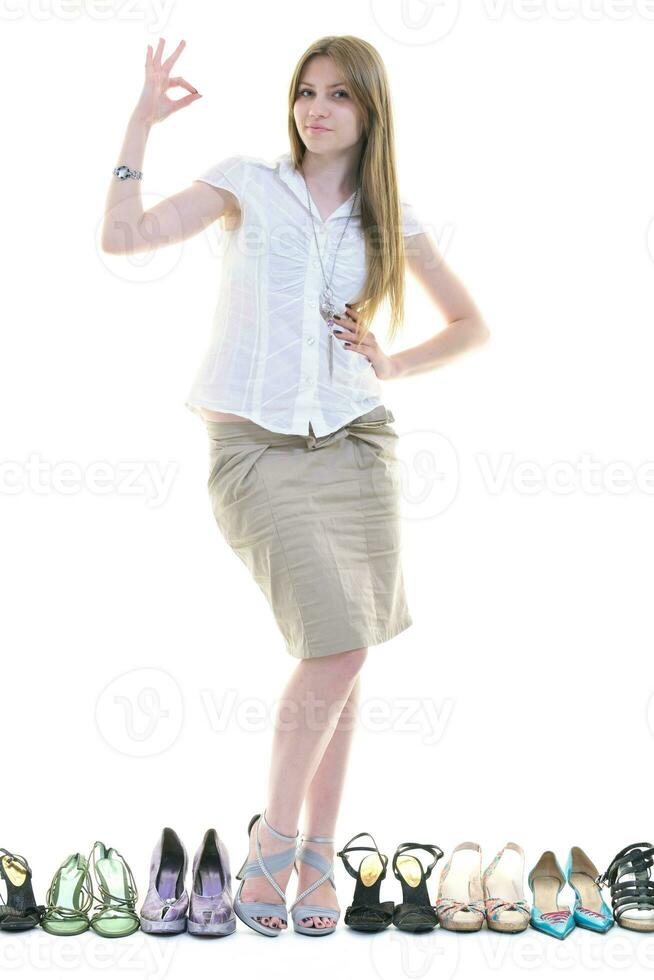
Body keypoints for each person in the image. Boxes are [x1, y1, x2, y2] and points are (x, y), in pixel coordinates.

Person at [101, 33, 489, 937]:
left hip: (357, 444)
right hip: (254, 451)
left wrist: (390, 364)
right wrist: (139, 125)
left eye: (339, 96)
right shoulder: (248, 180)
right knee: (338, 648)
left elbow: (471, 324)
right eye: (307, 92)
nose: (317, 109)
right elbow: (123, 239)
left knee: (348, 650)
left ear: (369, 113)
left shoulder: (387, 217)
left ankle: (317, 859)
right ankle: (275, 845)